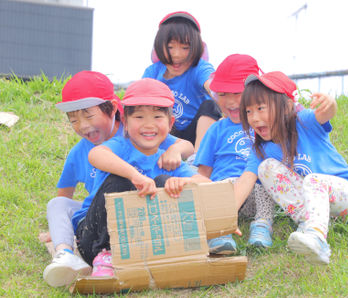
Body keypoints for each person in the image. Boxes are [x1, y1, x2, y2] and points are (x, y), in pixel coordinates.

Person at [42, 71, 194, 287]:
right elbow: (91, 161)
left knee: (163, 181)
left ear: (114, 110)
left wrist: (177, 153)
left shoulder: (142, 133)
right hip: (98, 228)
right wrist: (135, 175)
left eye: (88, 115)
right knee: (115, 184)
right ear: (127, 118)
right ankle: (84, 253)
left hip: (138, 224)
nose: (83, 126)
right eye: (74, 120)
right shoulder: (111, 145)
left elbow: (187, 147)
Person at [74, 78, 211, 277]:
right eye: (139, 117)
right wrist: (135, 176)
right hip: (94, 239)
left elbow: (207, 184)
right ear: (126, 124)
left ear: (170, 123)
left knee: (166, 182)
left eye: (157, 116)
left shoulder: (167, 160)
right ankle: (106, 256)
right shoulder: (120, 146)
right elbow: (95, 155)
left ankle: (164, 257)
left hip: (142, 242)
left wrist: (183, 181)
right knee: (121, 181)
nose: (149, 125)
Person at [235, 71, 348, 265]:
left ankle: (316, 238)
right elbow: (245, 181)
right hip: (317, 202)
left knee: (313, 180)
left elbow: (326, 113)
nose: (254, 118)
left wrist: (329, 102)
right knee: (265, 168)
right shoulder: (262, 150)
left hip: (347, 193)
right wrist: (226, 218)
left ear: (288, 106)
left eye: (260, 108)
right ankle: (310, 221)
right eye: (248, 111)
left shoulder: (303, 122)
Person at [193, 54, 276, 254]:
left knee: (266, 183)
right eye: (222, 94)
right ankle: (220, 231)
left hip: (256, 193)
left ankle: (262, 225)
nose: (230, 101)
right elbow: (204, 171)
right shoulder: (217, 129)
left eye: (237, 93)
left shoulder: (264, 126)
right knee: (224, 185)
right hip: (224, 192)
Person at [142, 11, 222, 154]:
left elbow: (214, 86)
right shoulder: (153, 72)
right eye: (170, 47)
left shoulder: (199, 68)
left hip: (198, 133)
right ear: (159, 47)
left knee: (211, 105)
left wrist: (222, 96)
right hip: (169, 134)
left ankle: (198, 159)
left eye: (185, 48)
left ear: (196, 48)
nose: (177, 55)